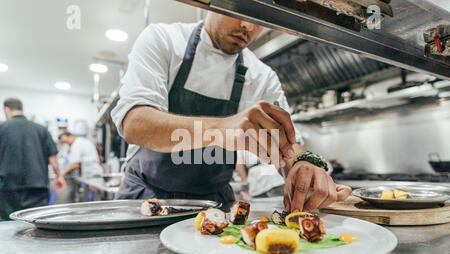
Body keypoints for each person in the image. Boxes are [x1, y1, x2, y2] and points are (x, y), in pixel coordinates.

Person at [111, 12, 352, 212]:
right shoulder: (163, 40)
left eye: (261, 18)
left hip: (214, 206)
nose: (248, 25)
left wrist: (301, 164)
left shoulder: (262, 77)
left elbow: (287, 145)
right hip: (146, 197)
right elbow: (136, 122)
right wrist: (222, 129)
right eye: (240, 10)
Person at [0, 98, 66, 221]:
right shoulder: (41, 129)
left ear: (6, 109)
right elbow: (53, 158)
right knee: (36, 226)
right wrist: (59, 176)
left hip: (7, 189)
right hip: (37, 188)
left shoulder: (1, 128)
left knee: (7, 228)